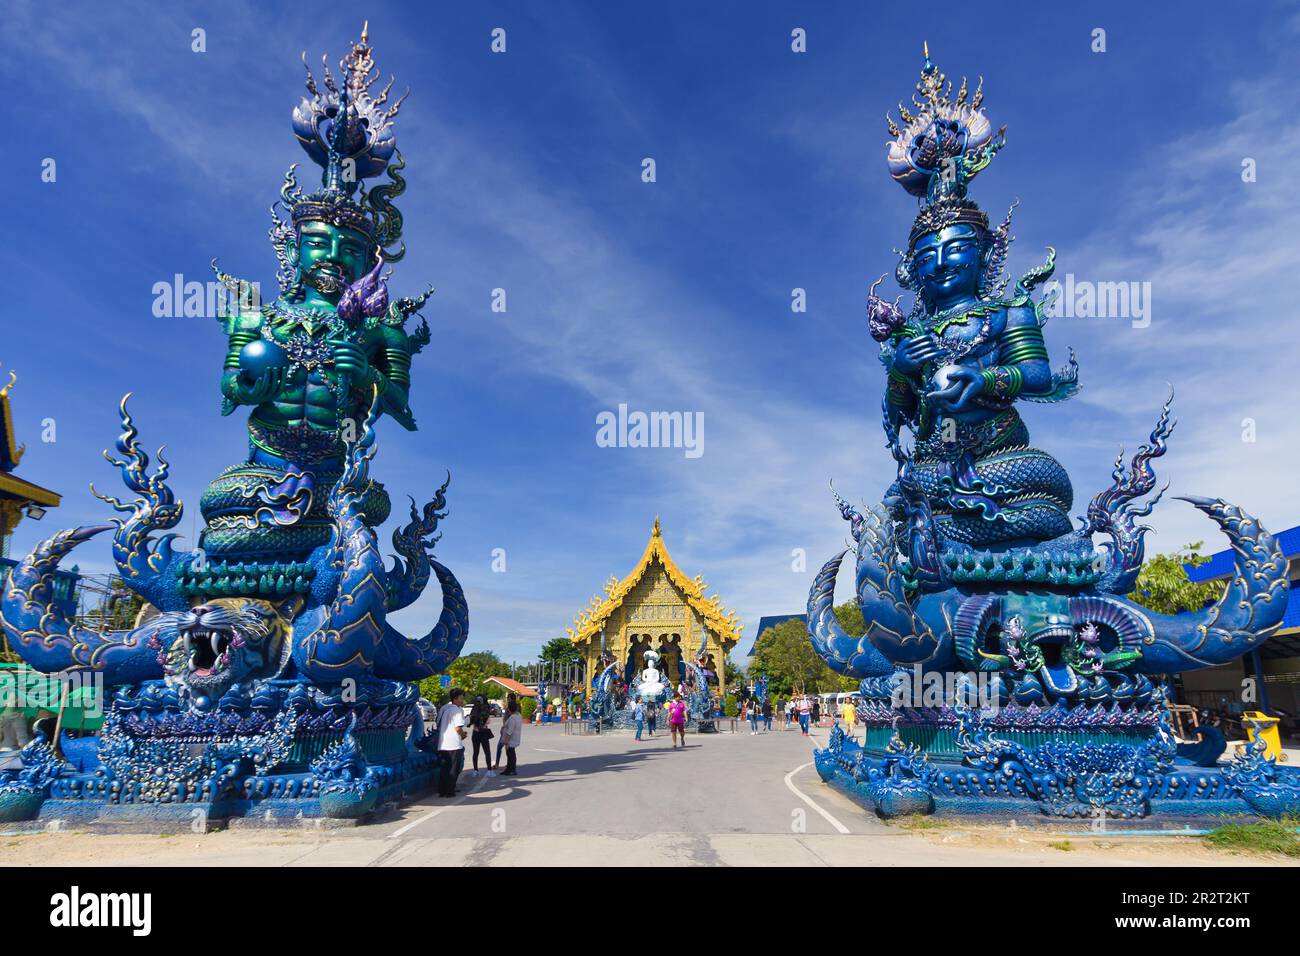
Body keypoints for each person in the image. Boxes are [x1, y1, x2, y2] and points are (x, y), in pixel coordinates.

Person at [436, 688, 468, 797]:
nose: (463, 700)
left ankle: (442, 790)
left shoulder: (444, 708)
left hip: (442, 744)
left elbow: (438, 722)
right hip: (454, 744)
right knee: (454, 769)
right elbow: (458, 728)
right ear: (455, 699)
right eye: (461, 698)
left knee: (444, 768)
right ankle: (450, 791)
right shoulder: (457, 710)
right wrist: (463, 735)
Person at [468, 694, 494, 777]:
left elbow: (470, 720)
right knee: (487, 752)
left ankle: (475, 771)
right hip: (484, 732)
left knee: (476, 752)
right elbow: (487, 720)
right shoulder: (486, 708)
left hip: (475, 732)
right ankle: (489, 770)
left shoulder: (474, 709)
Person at [500, 698, 523, 776]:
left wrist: (506, 742)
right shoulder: (518, 715)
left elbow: (509, 732)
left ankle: (512, 769)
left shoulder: (513, 718)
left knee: (511, 755)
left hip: (511, 740)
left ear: (509, 709)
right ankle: (509, 769)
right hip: (514, 738)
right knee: (510, 754)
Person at [494, 692, 517, 768]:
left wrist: (505, 727)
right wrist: (503, 726)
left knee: (506, 747)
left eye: (509, 699)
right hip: (506, 729)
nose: (507, 700)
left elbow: (511, 720)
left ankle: (508, 764)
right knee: (507, 748)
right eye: (507, 699)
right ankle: (508, 764)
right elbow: (504, 718)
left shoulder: (512, 708)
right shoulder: (509, 708)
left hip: (509, 730)